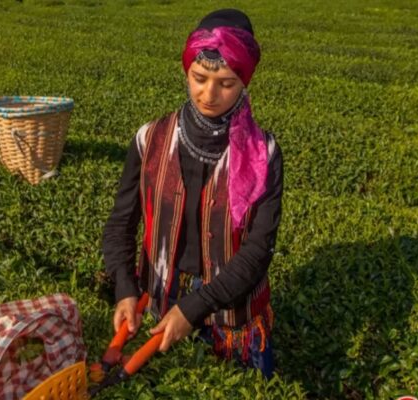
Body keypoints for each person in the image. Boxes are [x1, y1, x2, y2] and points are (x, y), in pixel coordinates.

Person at [102, 8, 283, 379]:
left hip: (230, 307)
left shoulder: (264, 153)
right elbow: (122, 221)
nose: (209, 94)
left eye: (226, 83)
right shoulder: (149, 138)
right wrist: (124, 287)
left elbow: (257, 250)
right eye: (199, 78)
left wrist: (195, 307)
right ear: (186, 71)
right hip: (159, 297)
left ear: (245, 81)